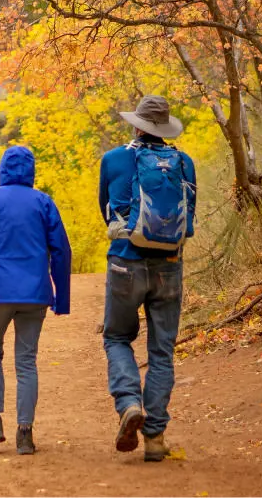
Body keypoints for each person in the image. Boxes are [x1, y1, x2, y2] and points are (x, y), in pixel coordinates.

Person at [98, 95, 196, 462]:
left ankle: (127, 404)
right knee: (161, 352)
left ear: (137, 124)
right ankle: (155, 439)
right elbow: (190, 214)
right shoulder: (183, 163)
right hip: (169, 263)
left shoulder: (113, 159)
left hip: (125, 261)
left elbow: (104, 209)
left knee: (117, 337)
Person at [0, 145, 72, 455]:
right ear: (31, 171)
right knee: (26, 361)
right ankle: (25, 433)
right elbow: (61, 250)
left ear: (2, 169)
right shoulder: (44, 202)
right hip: (34, 295)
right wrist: (61, 298)